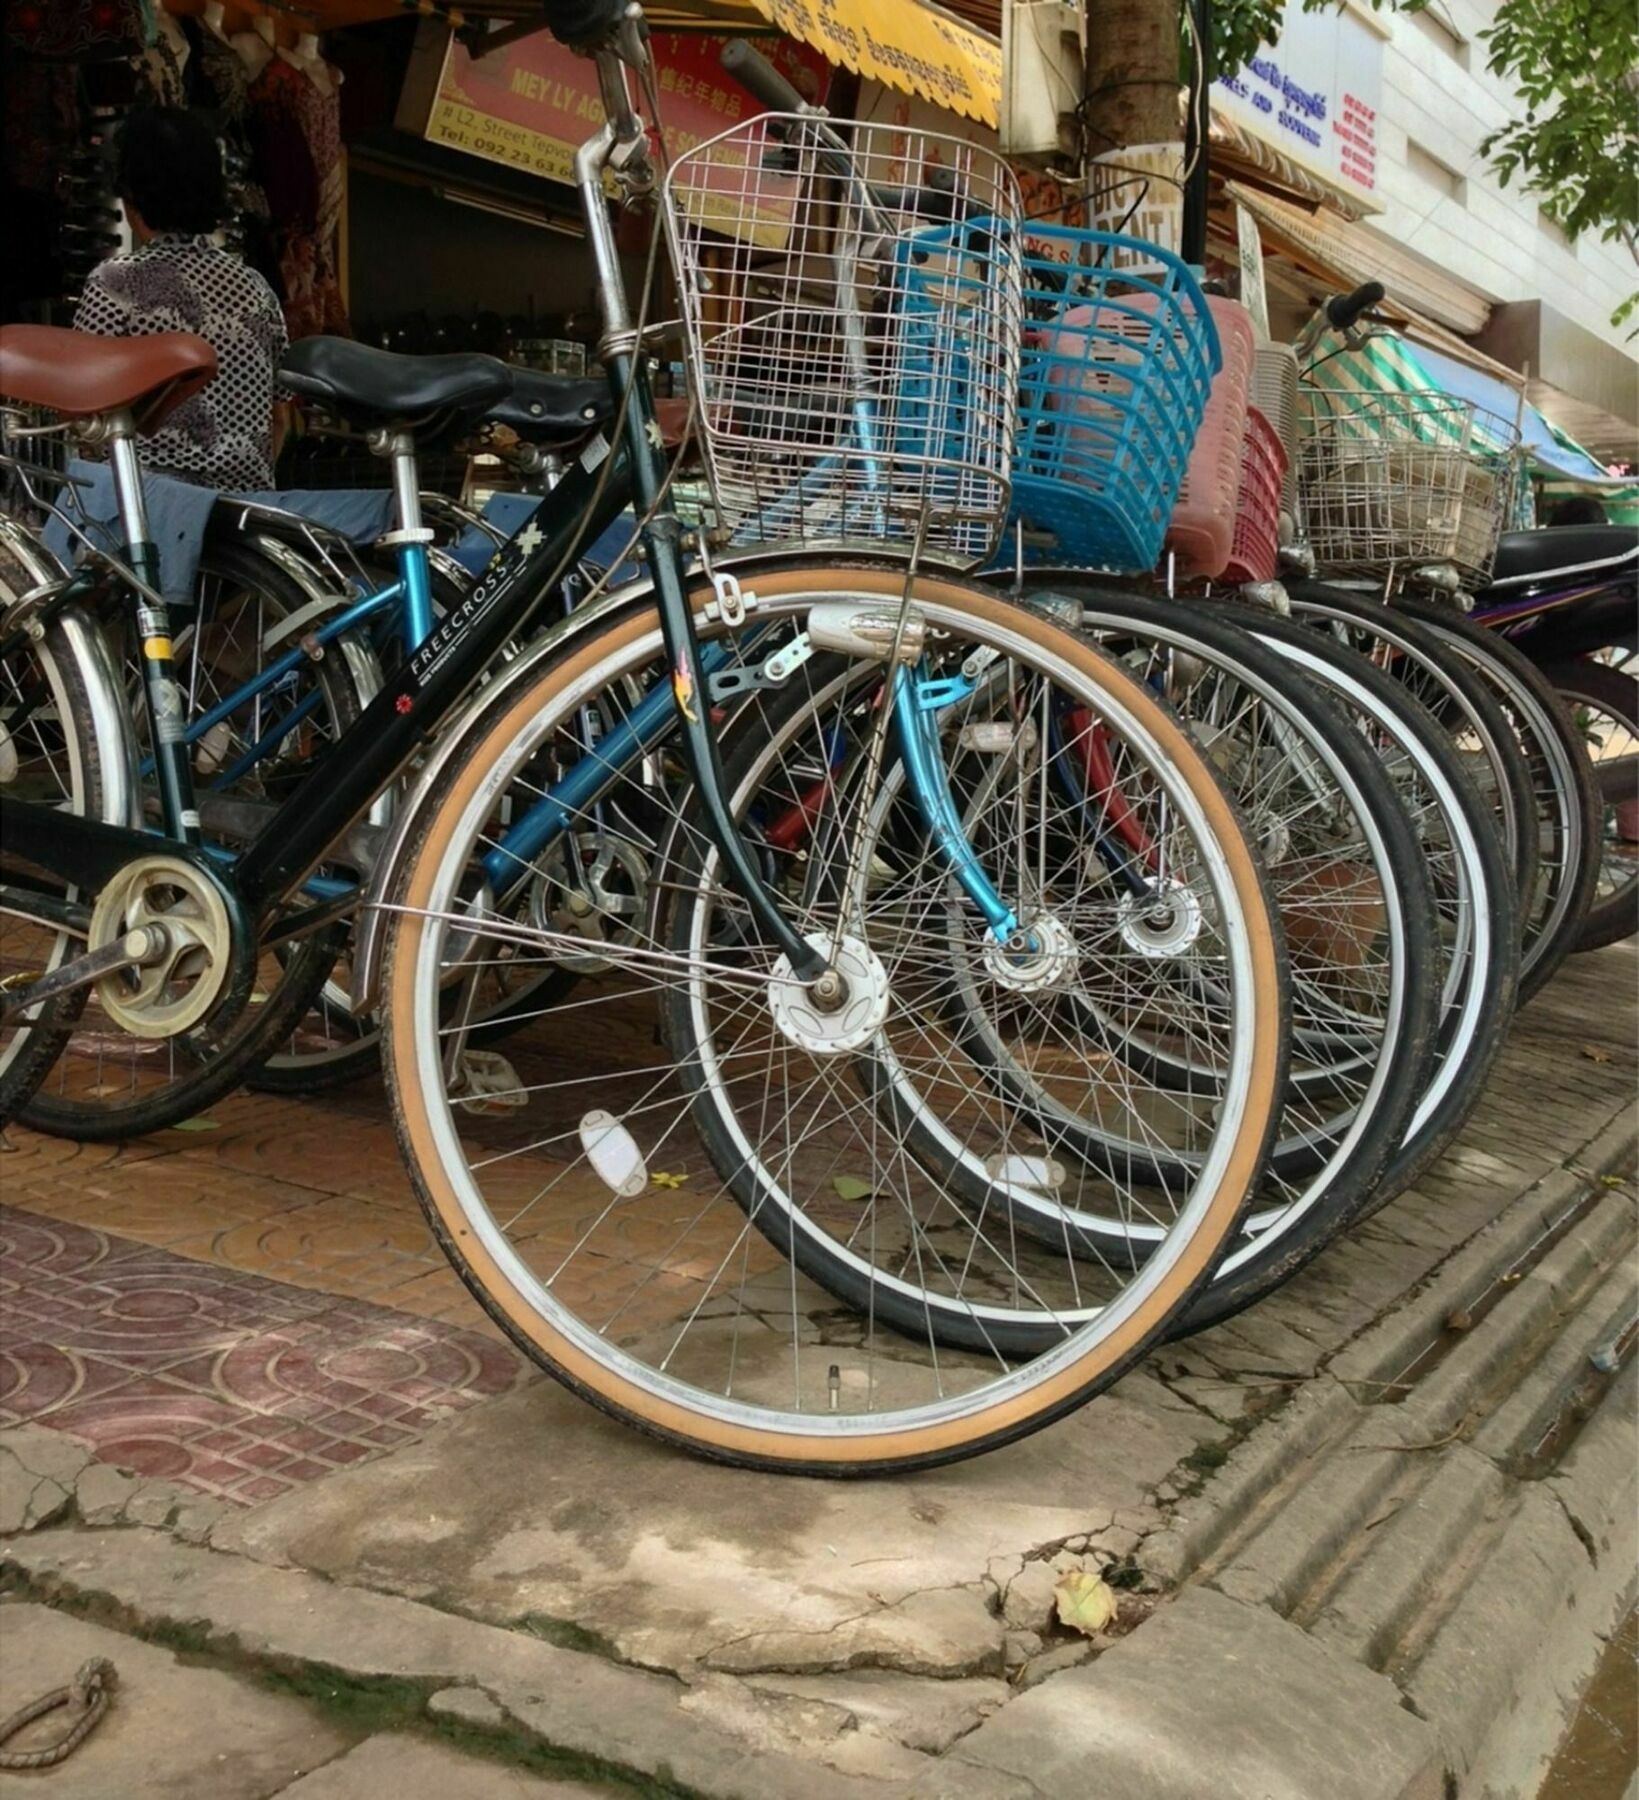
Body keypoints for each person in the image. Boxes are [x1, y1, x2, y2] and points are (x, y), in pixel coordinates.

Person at [73, 106, 288, 490]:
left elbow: (88, 417)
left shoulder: (115, 283)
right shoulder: (256, 288)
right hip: (247, 518)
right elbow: (280, 416)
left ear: (130, 194)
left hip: (150, 514)